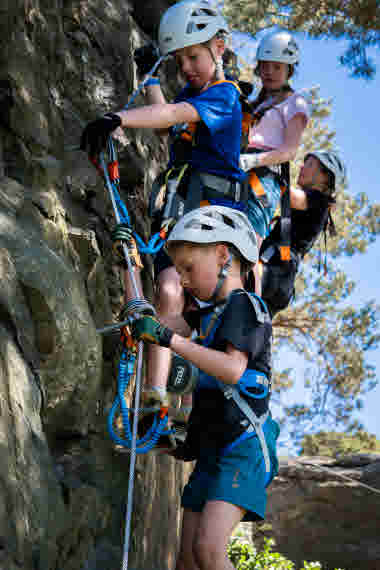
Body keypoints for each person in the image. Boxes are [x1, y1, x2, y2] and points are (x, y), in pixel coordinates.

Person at [80, 0, 248, 440]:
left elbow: (172, 116)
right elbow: (169, 125)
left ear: (220, 47)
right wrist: (152, 80)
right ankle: (156, 400)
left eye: (194, 56)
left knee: (193, 301)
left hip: (210, 222)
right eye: (181, 59)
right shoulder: (196, 95)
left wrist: (117, 118)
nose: (188, 66)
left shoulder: (225, 96)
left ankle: (180, 401)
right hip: (181, 215)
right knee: (169, 293)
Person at [130, 206, 280, 570]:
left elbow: (231, 369)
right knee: (187, 560)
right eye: (178, 270)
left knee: (209, 551)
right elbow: (151, 323)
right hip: (212, 448)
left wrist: (171, 341)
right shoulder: (208, 314)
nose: (181, 280)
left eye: (188, 268)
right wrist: (131, 268)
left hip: (243, 447)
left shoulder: (245, 305)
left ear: (222, 254)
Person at [239, 30, 310, 294]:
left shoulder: (295, 103)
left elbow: (289, 150)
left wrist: (252, 160)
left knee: (247, 246)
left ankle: (249, 311)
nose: (269, 72)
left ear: (290, 69)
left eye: (277, 67)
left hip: (263, 179)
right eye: (265, 66)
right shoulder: (259, 102)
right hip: (240, 171)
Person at [260, 150, 347, 316]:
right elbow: (269, 199)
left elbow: (287, 196)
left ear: (325, 177)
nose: (302, 166)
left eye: (309, 164)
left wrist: (263, 165)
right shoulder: (310, 203)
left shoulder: (320, 201)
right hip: (275, 269)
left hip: (277, 270)